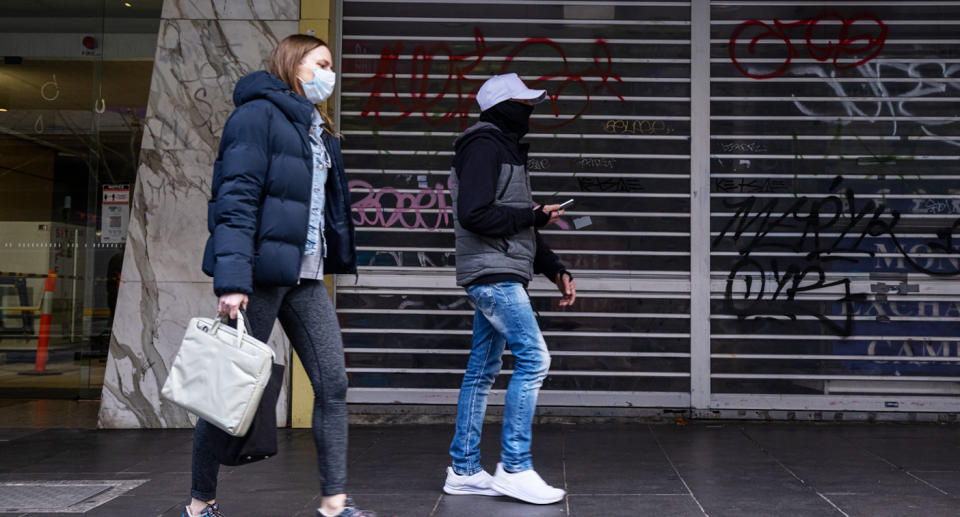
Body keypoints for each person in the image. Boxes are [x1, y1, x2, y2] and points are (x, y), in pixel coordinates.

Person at [186, 34, 375, 517]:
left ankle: (334, 502)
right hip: (261, 276)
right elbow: (236, 200)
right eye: (322, 64)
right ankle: (200, 502)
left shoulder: (318, 129)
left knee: (332, 385)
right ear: (295, 64)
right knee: (225, 390)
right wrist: (232, 280)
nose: (329, 74)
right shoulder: (257, 116)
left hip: (307, 277)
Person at [443, 73, 576, 505]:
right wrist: (533, 215)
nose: (531, 110)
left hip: (498, 269)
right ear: (503, 106)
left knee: (481, 373)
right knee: (535, 358)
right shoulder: (484, 146)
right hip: (493, 274)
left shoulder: (501, 149)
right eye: (525, 103)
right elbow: (476, 215)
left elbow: (516, 223)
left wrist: (553, 266)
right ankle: (515, 467)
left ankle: (463, 470)